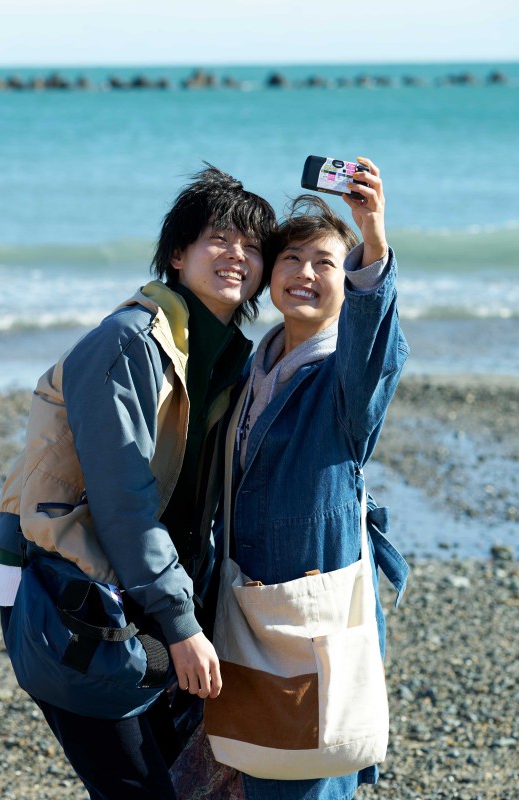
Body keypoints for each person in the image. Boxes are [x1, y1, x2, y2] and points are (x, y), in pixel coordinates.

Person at [0, 165, 278, 800]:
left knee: (188, 782)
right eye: (219, 240)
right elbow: (124, 501)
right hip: (69, 589)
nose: (238, 255)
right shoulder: (128, 344)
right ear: (178, 254)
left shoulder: (230, 358)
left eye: (253, 246)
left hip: (145, 588)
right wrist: (180, 626)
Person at [171, 157, 411, 800]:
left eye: (325, 263)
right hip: (244, 602)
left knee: (309, 765)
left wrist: (373, 234)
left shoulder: (344, 379)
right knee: (250, 758)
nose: (305, 274)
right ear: (270, 274)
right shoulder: (252, 367)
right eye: (291, 259)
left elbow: (375, 345)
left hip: (313, 607)